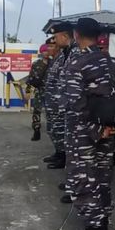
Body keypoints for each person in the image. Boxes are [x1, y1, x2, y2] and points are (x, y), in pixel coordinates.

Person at [61, 18, 115, 230]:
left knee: (83, 181)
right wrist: (110, 127)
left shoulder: (78, 63)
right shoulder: (110, 61)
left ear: (77, 34)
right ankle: (102, 224)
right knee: (102, 179)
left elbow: (75, 104)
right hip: (108, 130)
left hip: (84, 134)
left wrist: (95, 131)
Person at [43, 22, 75, 169]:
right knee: (56, 131)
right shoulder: (63, 55)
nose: (54, 41)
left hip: (67, 106)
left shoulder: (75, 54)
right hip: (55, 103)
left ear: (64, 36)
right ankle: (60, 154)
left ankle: (65, 160)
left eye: (56, 37)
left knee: (67, 137)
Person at [23, 40, 54, 141]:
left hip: (51, 92)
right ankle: (36, 130)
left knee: (51, 112)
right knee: (37, 111)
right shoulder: (36, 64)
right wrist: (28, 91)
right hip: (40, 91)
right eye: (44, 51)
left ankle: (53, 131)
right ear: (41, 52)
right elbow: (31, 78)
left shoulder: (53, 63)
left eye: (47, 51)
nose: (46, 53)